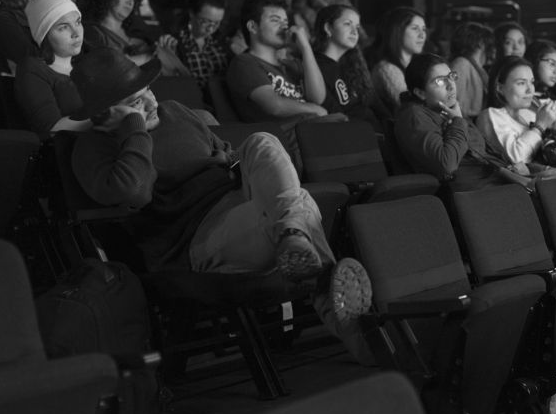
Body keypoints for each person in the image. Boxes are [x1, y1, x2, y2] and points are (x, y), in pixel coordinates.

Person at [68, 47, 372, 362]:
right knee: (300, 205)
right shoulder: (93, 149)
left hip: (240, 205)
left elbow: (227, 153)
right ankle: (343, 317)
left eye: (148, 91)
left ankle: (294, 239)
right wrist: (134, 128)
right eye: (135, 103)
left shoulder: (175, 111)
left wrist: (226, 159)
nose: (151, 103)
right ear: (105, 114)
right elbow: (135, 191)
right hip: (197, 239)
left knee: (262, 141)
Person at [393, 53, 540, 192]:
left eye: (451, 77)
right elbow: (447, 164)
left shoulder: (446, 110)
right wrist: (457, 121)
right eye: (440, 81)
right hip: (474, 193)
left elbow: (485, 154)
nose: (451, 85)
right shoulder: (414, 115)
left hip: (497, 181)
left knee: (550, 181)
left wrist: (524, 168)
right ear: (420, 93)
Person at [225, 0, 327, 123]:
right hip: (283, 133)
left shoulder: (292, 64)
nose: (284, 26)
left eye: (285, 22)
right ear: (253, 27)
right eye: (275, 20)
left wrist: (306, 48)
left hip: (314, 127)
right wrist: (314, 110)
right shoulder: (244, 63)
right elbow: (275, 106)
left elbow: (318, 98)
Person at [82, 0, 187, 76]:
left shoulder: (136, 26)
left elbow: (159, 51)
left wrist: (167, 50)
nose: (130, 2)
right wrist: (150, 57)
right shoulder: (91, 32)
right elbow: (107, 69)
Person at [14, 0, 90, 137]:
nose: (76, 33)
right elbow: (50, 127)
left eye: (78, 22)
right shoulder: (33, 69)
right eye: (63, 27)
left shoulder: (87, 65)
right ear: (44, 35)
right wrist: (107, 119)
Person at [312, 3, 377, 124]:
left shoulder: (354, 63)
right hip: (352, 131)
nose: (354, 32)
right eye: (347, 24)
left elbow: (375, 103)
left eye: (357, 27)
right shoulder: (315, 66)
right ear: (328, 28)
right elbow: (336, 114)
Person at [369, 7, 427, 115]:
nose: (422, 35)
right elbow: (411, 108)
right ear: (398, 31)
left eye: (423, 29)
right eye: (415, 28)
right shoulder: (386, 69)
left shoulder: (417, 65)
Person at [175, 0, 231, 88]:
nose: (211, 28)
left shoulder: (223, 41)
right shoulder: (177, 42)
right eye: (205, 21)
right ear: (192, 14)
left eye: (217, 23)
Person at [449, 21, 492, 118]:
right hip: (466, 121)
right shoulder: (461, 64)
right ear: (479, 43)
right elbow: (454, 101)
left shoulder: (477, 67)